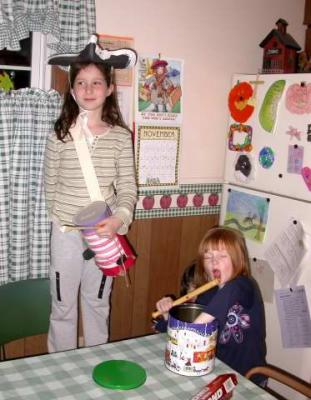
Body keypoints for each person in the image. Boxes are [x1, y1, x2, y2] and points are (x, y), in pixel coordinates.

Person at [44, 35, 137, 353]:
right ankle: (60, 367)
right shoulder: (59, 134)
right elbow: (50, 183)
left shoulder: (121, 138)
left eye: (96, 82)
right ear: (71, 89)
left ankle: (97, 365)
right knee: (62, 308)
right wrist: (61, 222)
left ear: (110, 88)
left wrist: (119, 221)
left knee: (98, 305)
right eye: (81, 82)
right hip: (66, 234)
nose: (88, 89)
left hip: (106, 234)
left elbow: (127, 187)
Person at [155, 226, 267, 385]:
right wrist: (167, 314)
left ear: (237, 260)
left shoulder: (245, 285)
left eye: (222, 255)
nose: (214, 261)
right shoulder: (208, 295)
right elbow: (175, 336)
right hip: (215, 373)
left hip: (248, 379)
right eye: (208, 257)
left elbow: (191, 333)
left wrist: (189, 333)